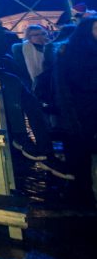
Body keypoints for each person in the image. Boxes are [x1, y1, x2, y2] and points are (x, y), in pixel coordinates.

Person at [54, 17, 97, 205]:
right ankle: (82, 193)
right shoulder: (68, 53)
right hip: (80, 110)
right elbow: (63, 87)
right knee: (80, 154)